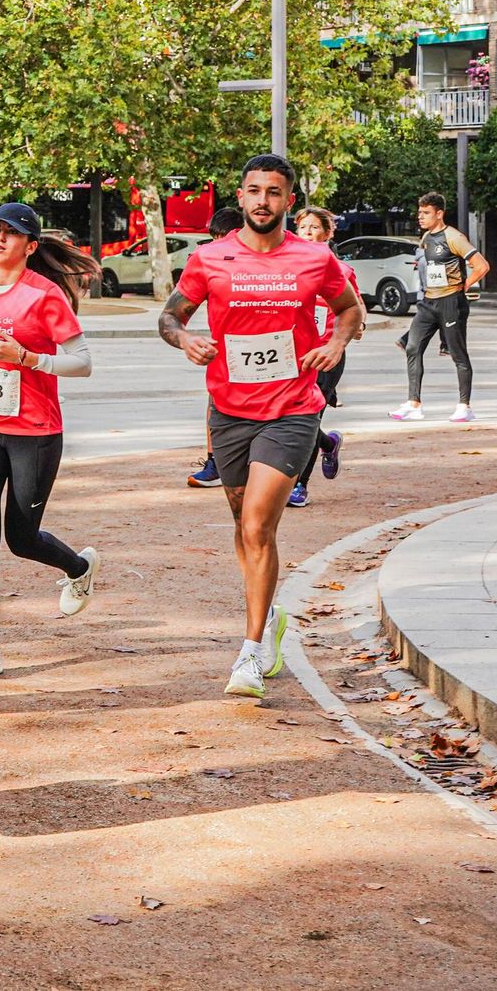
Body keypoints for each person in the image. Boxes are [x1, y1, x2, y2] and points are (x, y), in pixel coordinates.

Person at [158, 155, 362, 700]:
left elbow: (350, 311)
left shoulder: (315, 259)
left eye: (274, 192)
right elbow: (169, 317)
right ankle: (267, 614)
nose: (263, 201)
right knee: (242, 523)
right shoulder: (209, 258)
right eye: (254, 191)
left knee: (256, 526)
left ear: (289, 201)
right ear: (241, 197)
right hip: (228, 409)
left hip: (293, 406)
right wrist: (186, 341)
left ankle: (249, 654)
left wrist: (336, 342)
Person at [0, 201, 100, 678]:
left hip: (35, 431)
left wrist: (31, 358)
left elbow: (83, 361)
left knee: (21, 538)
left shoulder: (44, 295)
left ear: (30, 246)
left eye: (10, 233)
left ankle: (78, 568)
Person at [389, 192, 489, 423]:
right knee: (412, 347)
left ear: (439, 213)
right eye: (419, 212)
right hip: (428, 303)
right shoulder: (426, 237)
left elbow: (481, 266)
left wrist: (463, 286)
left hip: (451, 302)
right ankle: (413, 404)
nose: (420, 217)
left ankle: (464, 406)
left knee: (458, 354)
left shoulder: (454, 237)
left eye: (426, 213)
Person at [288, 207, 364, 507]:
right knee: (290, 416)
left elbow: (355, 305)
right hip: (293, 353)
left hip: (327, 354)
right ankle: (328, 442)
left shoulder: (341, 271)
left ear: (328, 233)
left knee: (308, 416)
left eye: (313, 227)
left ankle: (299, 485)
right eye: (302, 227)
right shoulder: (288, 268)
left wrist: (357, 328)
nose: (306, 232)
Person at [187, 206, 245, 488]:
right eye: (214, 237)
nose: (218, 242)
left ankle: (322, 441)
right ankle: (215, 461)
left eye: (223, 236)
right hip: (224, 349)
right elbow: (176, 311)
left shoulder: (260, 261)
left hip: (269, 352)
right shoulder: (209, 262)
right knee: (215, 402)